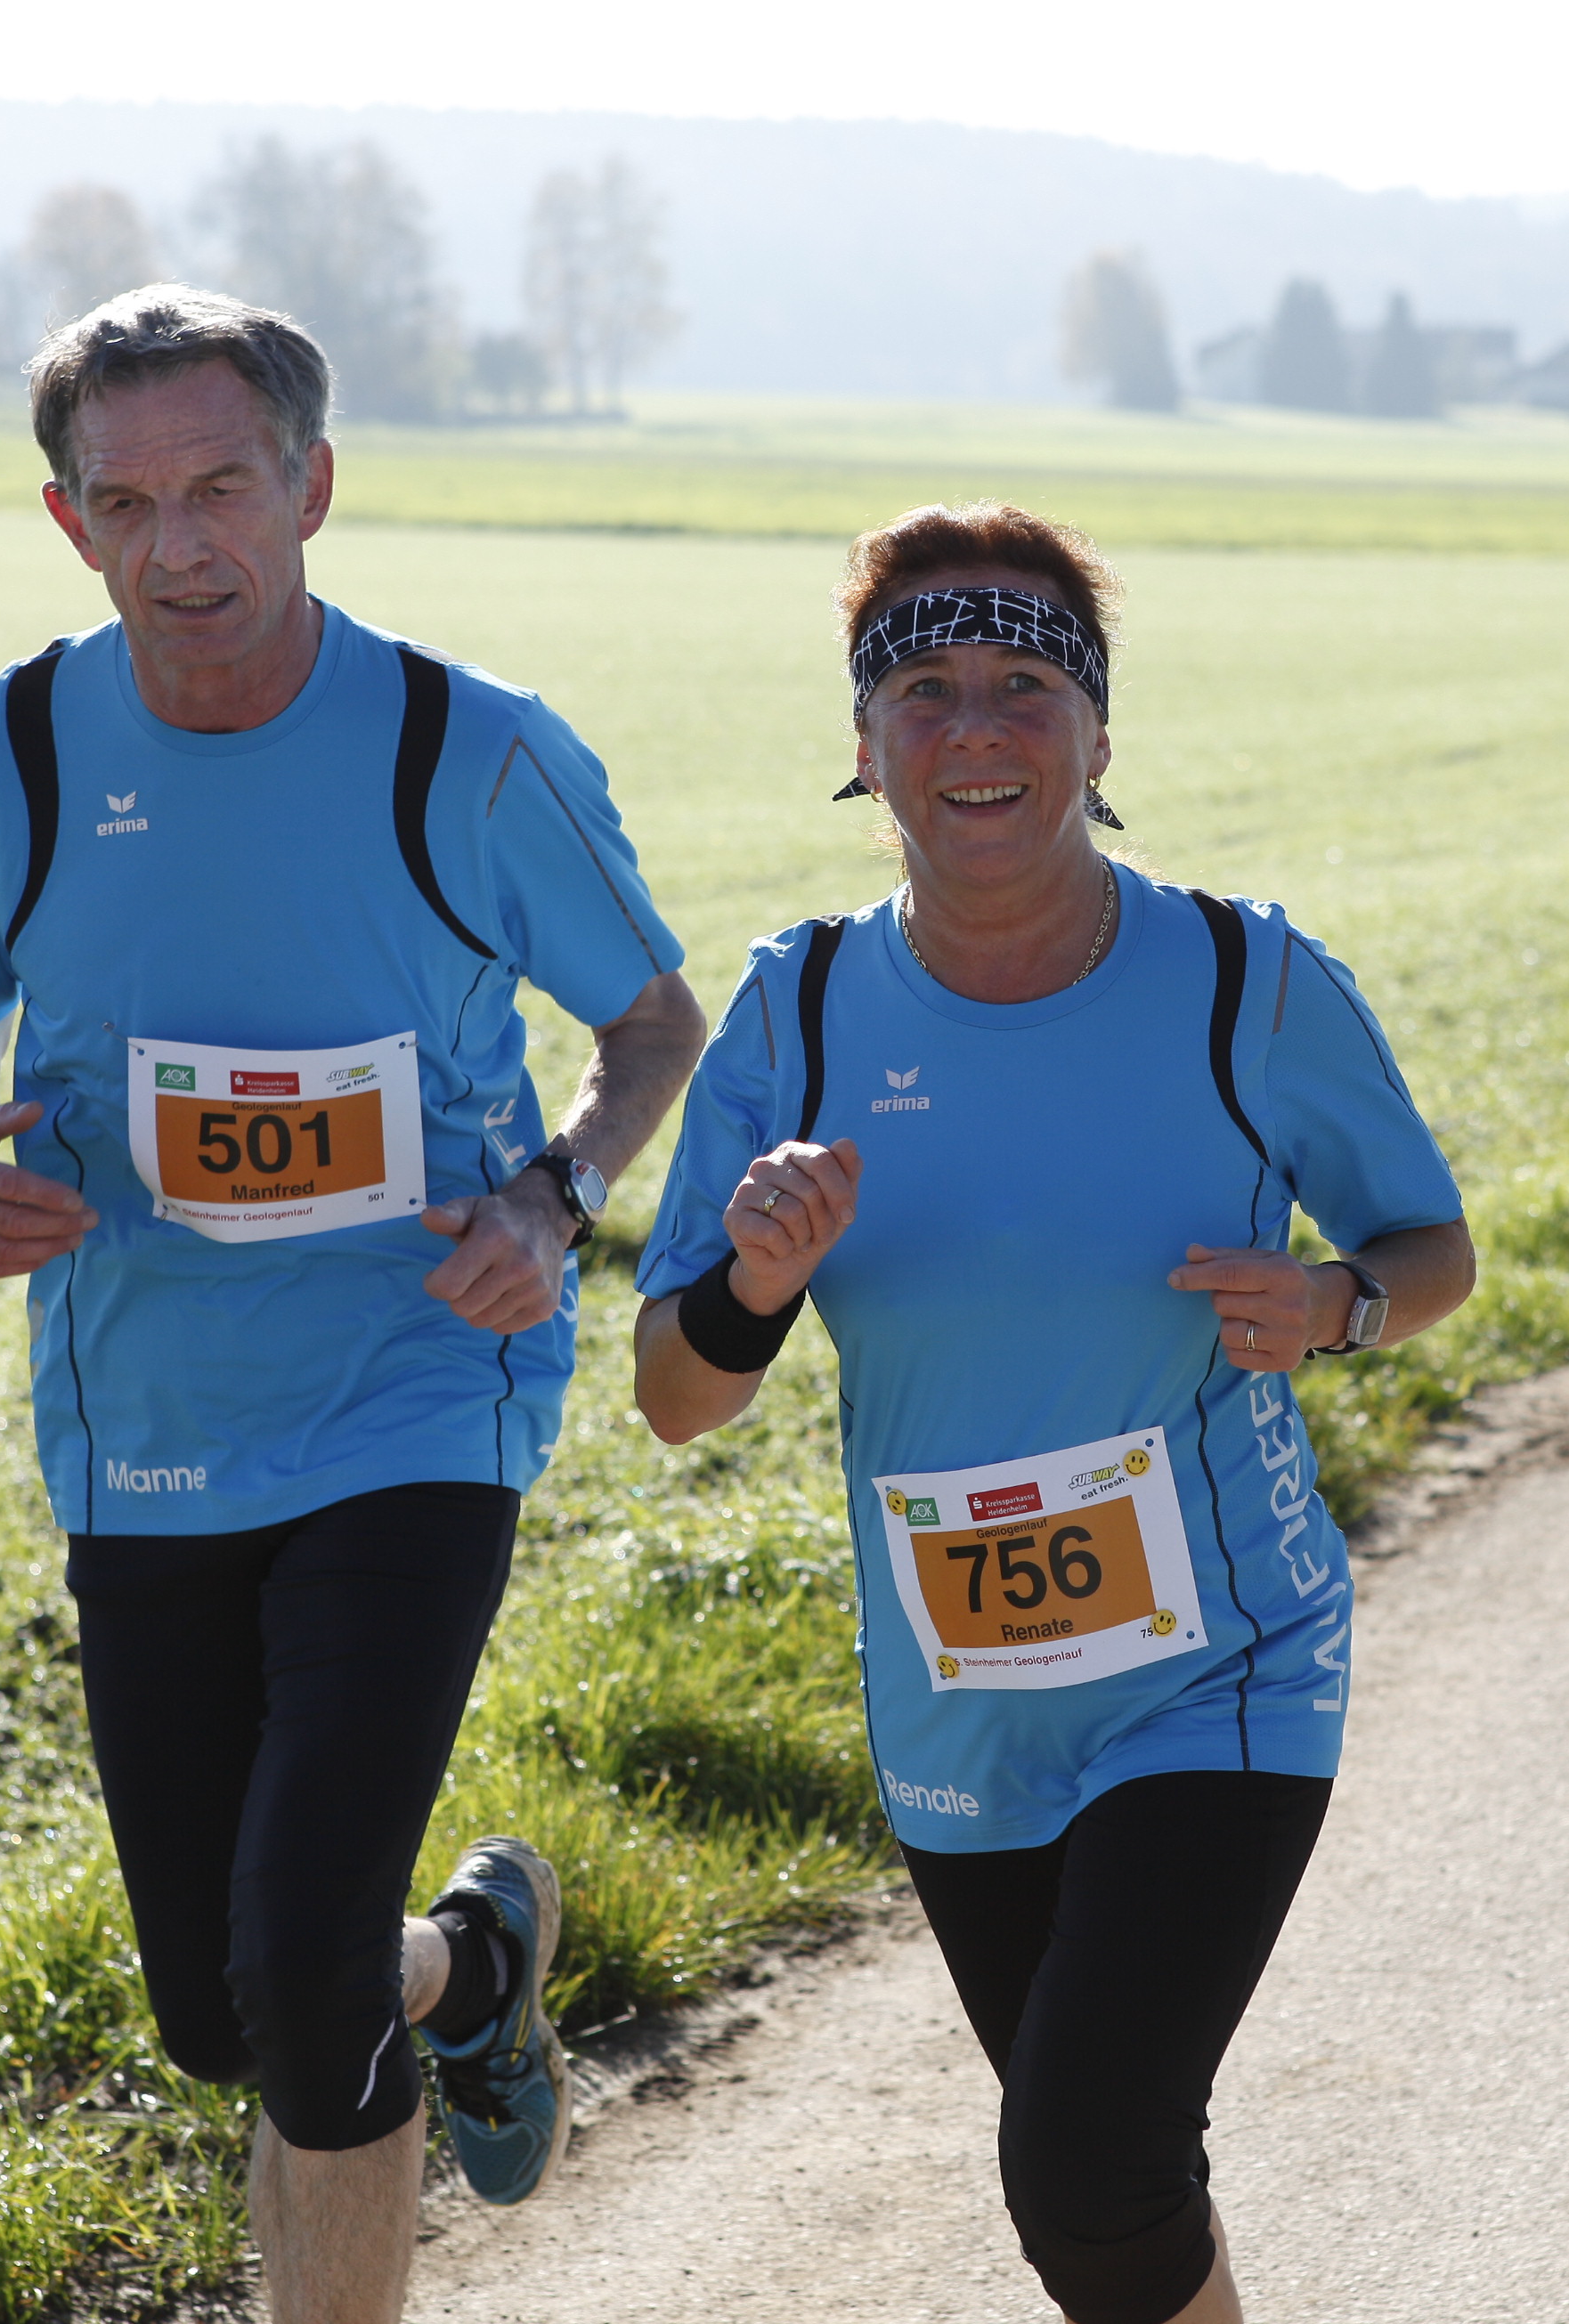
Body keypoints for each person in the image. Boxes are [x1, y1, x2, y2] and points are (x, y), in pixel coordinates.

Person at [0, 286, 704, 2324]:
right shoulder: (10, 751)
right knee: (217, 2005)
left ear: (311, 486)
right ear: (68, 521)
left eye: (222, 487)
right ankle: (473, 1965)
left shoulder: (465, 750)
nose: (180, 545)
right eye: (126, 501)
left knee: (299, 1962)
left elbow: (649, 1024)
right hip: (146, 1412)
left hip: (421, 1380)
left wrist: (556, 1195)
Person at [628, 504, 1474, 2324]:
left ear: (1097, 731)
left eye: (1025, 681)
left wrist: (1337, 1305)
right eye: (923, 689)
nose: (977, 727)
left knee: (1086, 2153)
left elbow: (1434, 1249)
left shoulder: (1244, 979)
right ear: (866, 748)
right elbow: (676, 1400)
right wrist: (753, 1283)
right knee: (1109, 2195)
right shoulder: (800, 1007)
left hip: (1223, 1664)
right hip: (962, 1698)